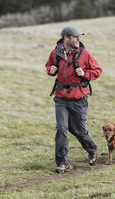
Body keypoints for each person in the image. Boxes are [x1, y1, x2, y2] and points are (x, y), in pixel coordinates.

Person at [45, 26, 103, 174]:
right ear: (66, 38)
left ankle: (92, 149)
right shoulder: (56, 52)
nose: (78, 39)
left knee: (79, 129)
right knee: (61, 128)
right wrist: (51, 70)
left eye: (79, 37)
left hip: (79, 98)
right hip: (61, 98)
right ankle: (63, 162)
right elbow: (49, 65)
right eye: (75, 37)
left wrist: (84, 73)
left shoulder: (85, 54)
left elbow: (98, 70)